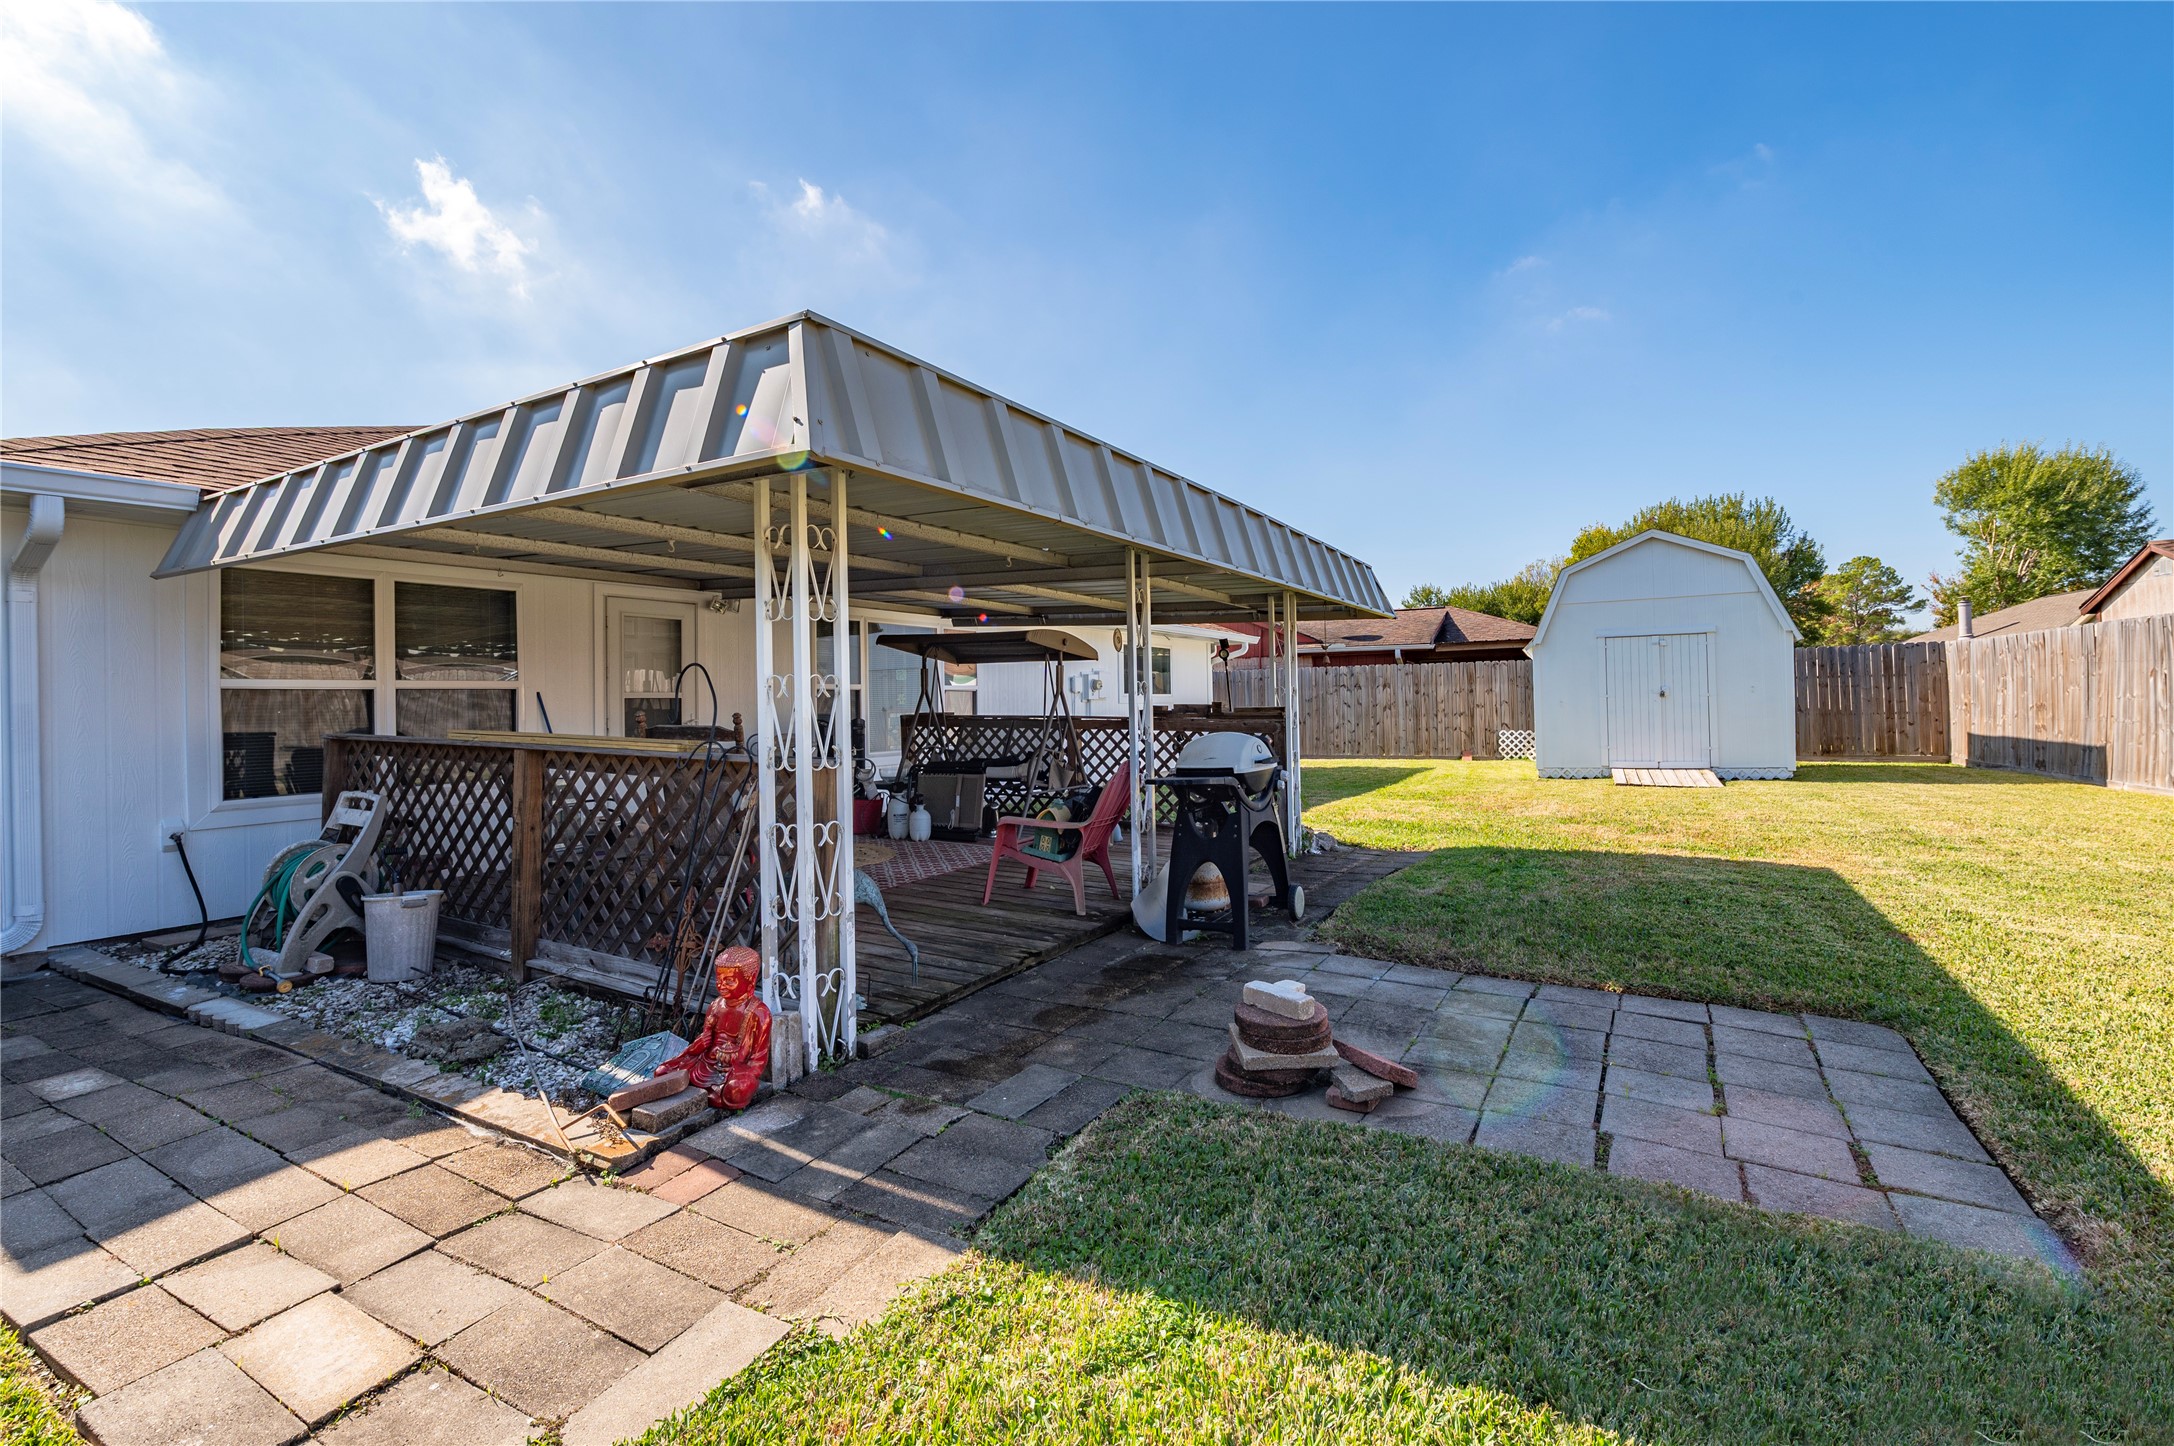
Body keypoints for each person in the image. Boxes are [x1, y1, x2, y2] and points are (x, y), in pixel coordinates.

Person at [656, 946, 770, 1110]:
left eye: (729, 981)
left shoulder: (759, 1013)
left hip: (733, 1071)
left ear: (750, 979)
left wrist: (735, 1059)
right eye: (719, 979)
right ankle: (709, 1093)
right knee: (662, 1072)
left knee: (736, 1090)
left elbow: (757, 1060)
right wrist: (700, 1044)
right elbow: (704, 1043)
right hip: (705, 1064)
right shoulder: (716, 1006)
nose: (721, 985)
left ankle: (710, 1092)